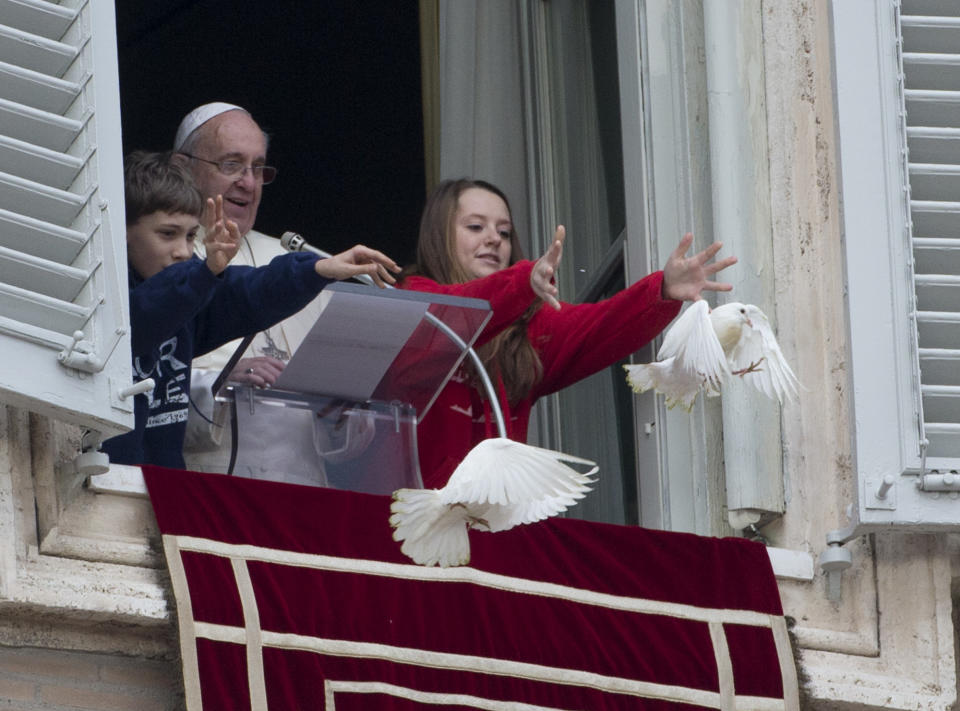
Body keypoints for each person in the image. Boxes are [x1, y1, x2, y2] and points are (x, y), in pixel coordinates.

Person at [399, 178, 737, 489]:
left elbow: (601, 324)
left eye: (504, 232)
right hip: (413, 527)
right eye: (476, 226)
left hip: (493, 529)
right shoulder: (411, 300)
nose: (493, 239)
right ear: (439, 237)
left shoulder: (526, 330)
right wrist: (522, 282)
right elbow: (453, 311)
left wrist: (662, 289)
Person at [100, 151, 398, 469]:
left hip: (162, 487)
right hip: (106, 483)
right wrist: (203, 274)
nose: (183, 252)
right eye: (167, 234)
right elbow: (144, 318)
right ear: (123, 231)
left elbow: (251, 291)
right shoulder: (104, 301)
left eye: (190, 236)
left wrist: (319, 269)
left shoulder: (191, 292)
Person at [173, 102, 372, 482]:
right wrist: (221, 381)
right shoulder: (161, 257)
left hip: (302, 493)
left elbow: (344, 440)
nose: (248, 182)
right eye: (231, 164)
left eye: (257, 168)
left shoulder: (295, 262)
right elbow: (139, 393)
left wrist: (341, 414)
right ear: (183, 167)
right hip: (206, 489)